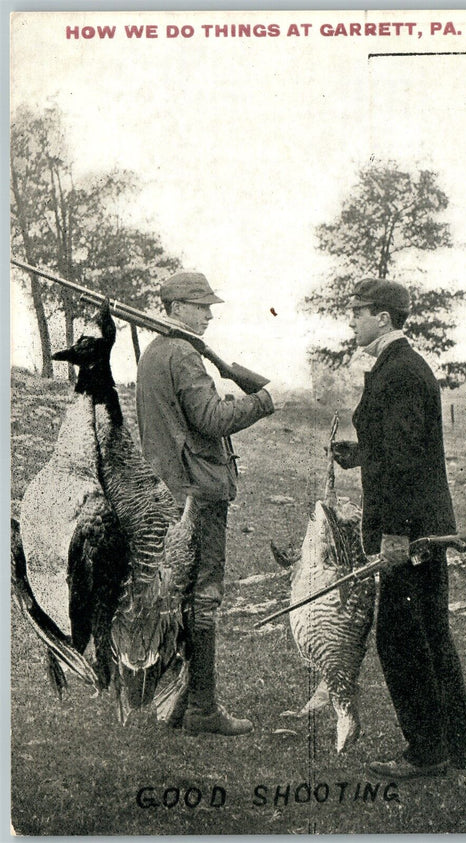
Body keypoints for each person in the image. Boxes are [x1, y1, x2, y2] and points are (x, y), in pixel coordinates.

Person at [332, 278, 466, 780]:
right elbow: (395, 448)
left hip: (409, 532)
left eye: (358, 312)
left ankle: (426, 750)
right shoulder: (401, 368)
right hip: (421, 526)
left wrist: (394, 534)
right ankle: (456, 744)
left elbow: (407, 461)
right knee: (431, 631)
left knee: (401, 637)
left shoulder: (399, 372)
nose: (351, 320)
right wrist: (360, 454)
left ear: (384, 319)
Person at [136, 270, 274, 736]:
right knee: (205, 594)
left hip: (169, 491)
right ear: (176, 309)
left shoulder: (156, 353)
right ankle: (203, 707)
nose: (210, 314)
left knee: (179, 594)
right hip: (199, 490)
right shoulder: (183, 354)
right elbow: (212, 419)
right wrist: (261, 402)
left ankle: (176, 701)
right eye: (201, 306)